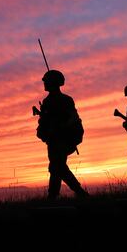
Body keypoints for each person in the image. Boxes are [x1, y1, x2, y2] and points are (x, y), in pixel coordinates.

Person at [36, 69, 89, 200]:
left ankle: (72, 193)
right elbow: (45, 120)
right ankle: (56, 195)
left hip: (63, 138)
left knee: (57, 166)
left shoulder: (65, 100)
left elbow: (72, 117)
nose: (44, 83)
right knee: (57, 166)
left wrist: (60, 127)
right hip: (52, 139)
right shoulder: (47, 101)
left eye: (47, 81)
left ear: (53, 82)